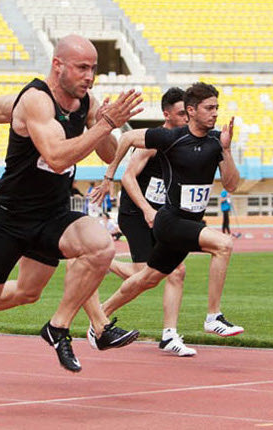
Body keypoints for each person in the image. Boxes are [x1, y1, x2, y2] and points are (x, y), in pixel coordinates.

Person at [0, 34, 142, 418]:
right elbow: (52, 155)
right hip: (10, 218)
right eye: (82, 68)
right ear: (58, 66)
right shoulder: (35, 101)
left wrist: (107, 130)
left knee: (99, 247)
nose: (90, 77)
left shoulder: (86, 103)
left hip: (51, 214)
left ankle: (58, 327)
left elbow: (104, 149)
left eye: (94, 69)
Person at [93, 82, 244, 344]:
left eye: (217, 108)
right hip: (169, 221)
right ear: (191, 111)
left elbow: (231, 184)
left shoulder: (217, 142)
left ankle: (100, 320)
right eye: (209, 108)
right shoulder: (172, 138)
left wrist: (227, 151)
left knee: (147, 279)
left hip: (190, 222)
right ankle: (213, 316)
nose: (215, 113)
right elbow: (128, 138)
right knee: (224, 244)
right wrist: (108, 177)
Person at [96, 87, 197, 356]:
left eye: (188, 112)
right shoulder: (153, 140)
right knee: (146, 275)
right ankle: (105, 272)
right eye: (180, 113)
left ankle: (170, 335)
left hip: (161, 215)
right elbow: (128, 177)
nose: (187, 117)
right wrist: (147, 210)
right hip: (136, 213)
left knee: (177, 271)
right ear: (167, 115)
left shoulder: (183, 141)